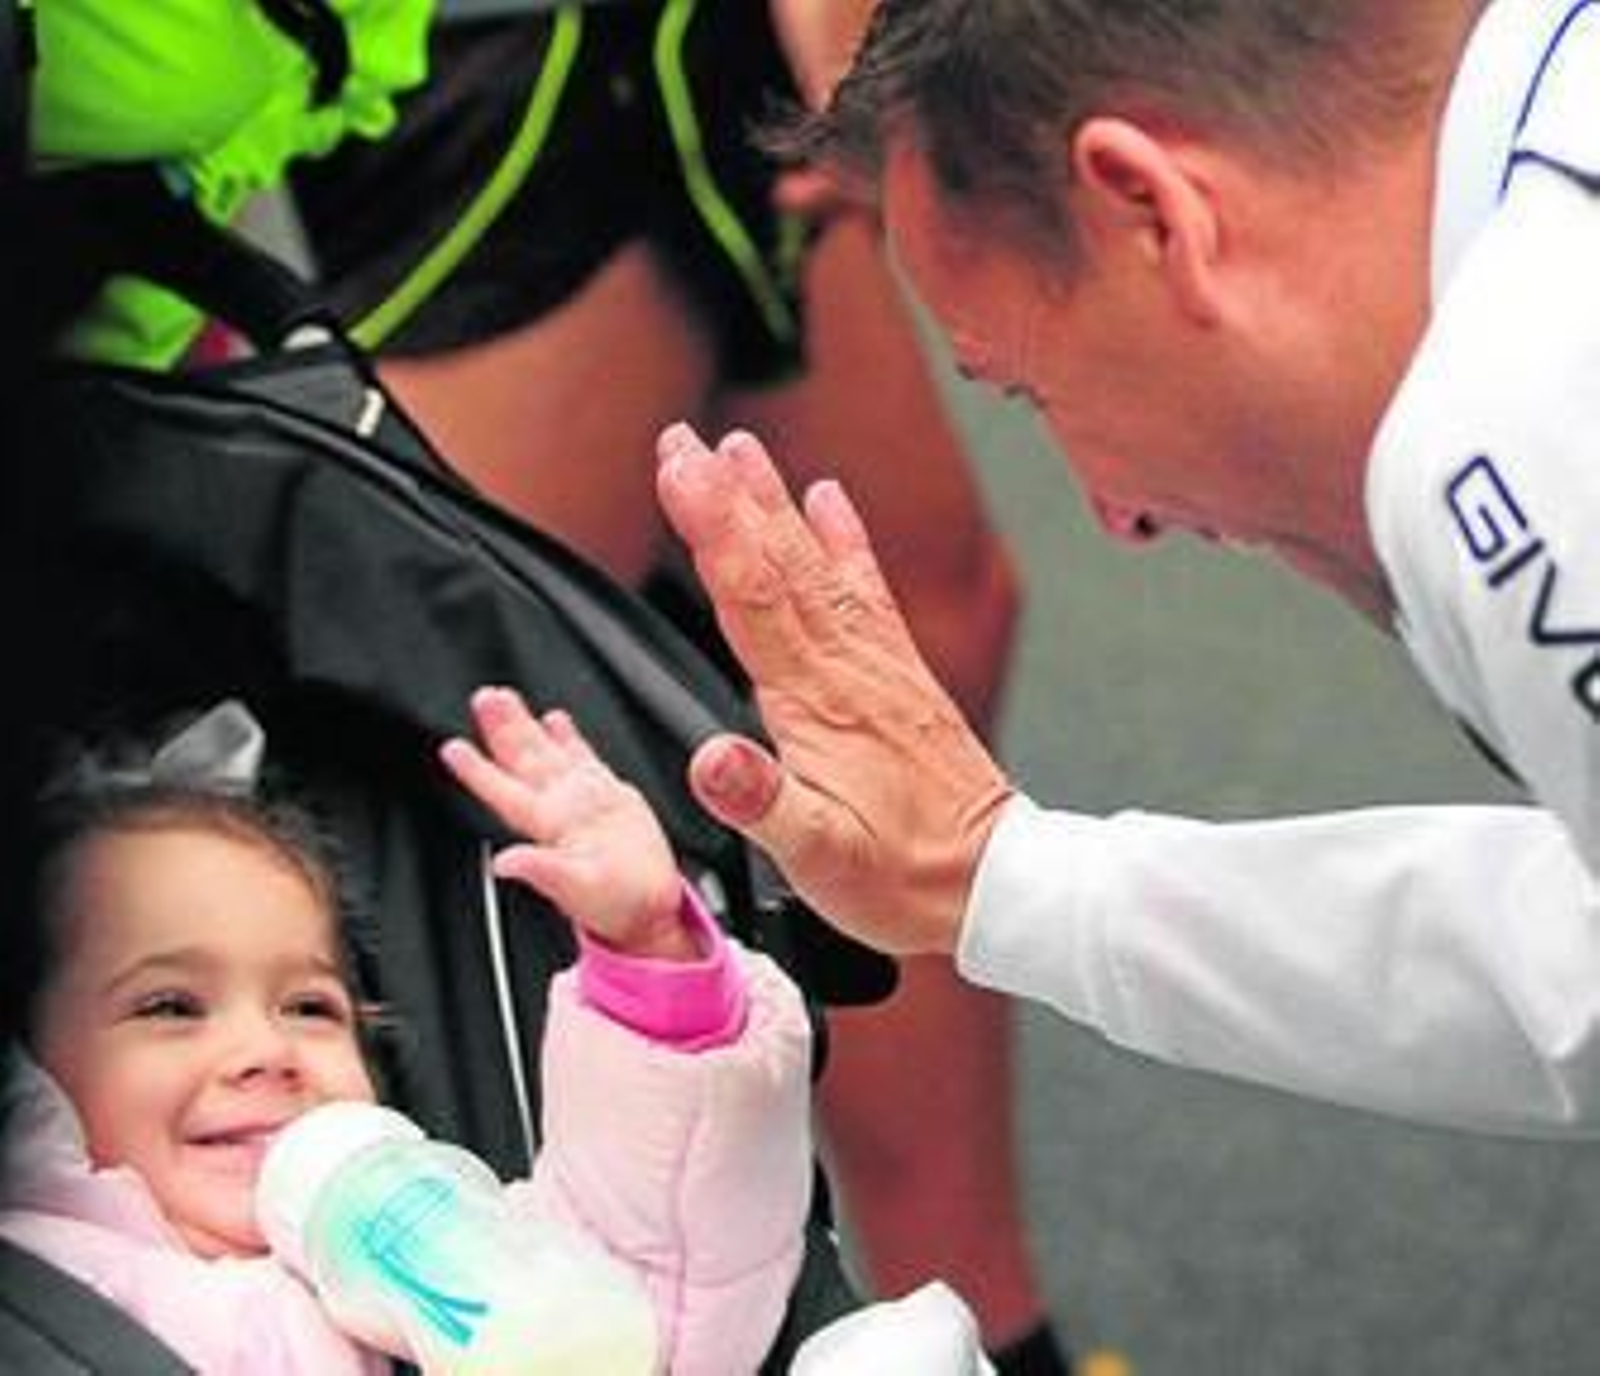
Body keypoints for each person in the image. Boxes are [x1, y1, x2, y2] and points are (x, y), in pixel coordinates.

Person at [651, 0, 1600, 1139]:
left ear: (1153, 211)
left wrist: (1006, 882)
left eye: (1032, 389)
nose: (1117, 515)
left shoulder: (1503, 441)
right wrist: (1003, 878)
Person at [289, 5, 1080, 1371]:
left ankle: (985, 1333)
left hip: (709, 48)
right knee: (466, 754)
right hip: (494, 55)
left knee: (909, 641)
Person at [0, 692, 835, 1373]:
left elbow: (655, 1285)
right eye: (171, 1007)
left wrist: (648, 950)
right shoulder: (41, 1285)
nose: (267, 1053)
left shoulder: (437, 1269)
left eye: (310, 1007)